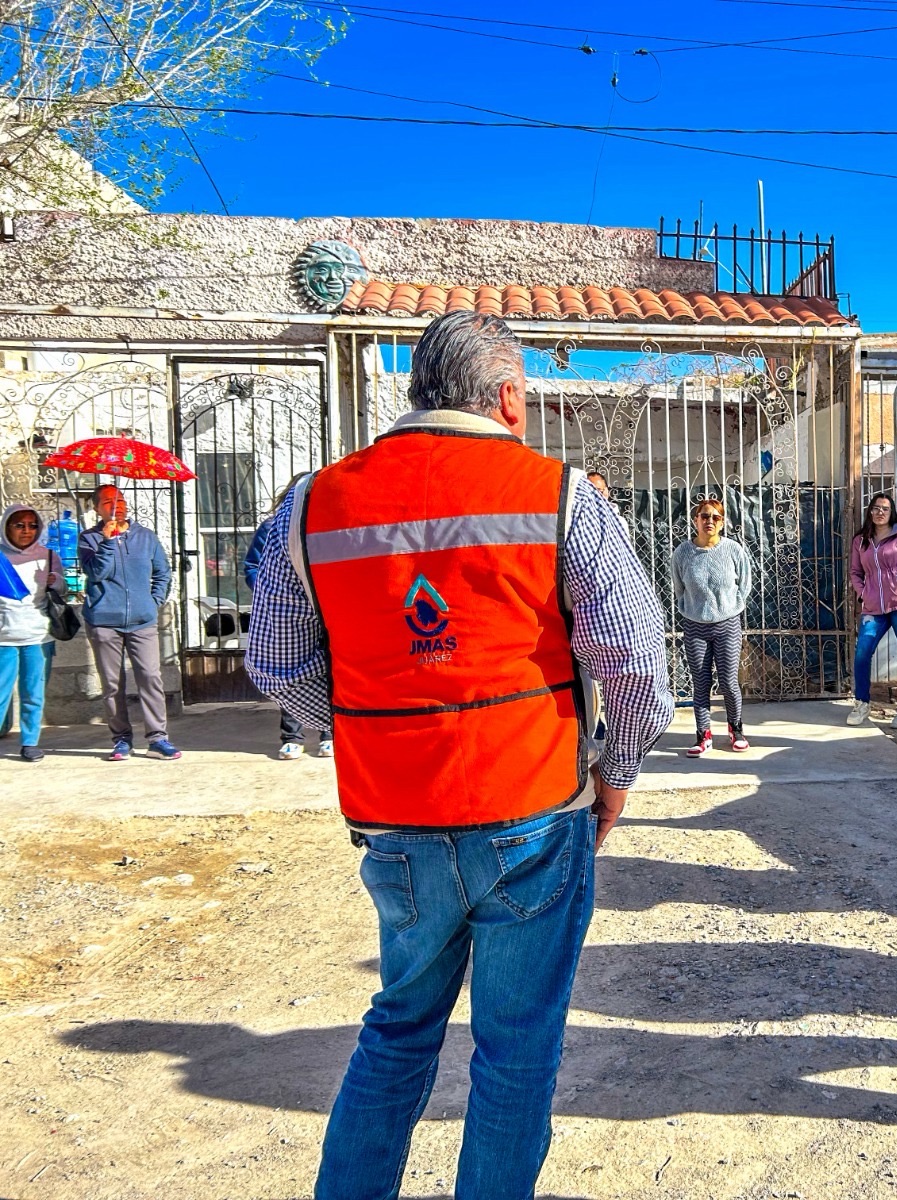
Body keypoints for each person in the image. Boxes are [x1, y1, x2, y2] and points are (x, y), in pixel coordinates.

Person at [244, 310, 674, 1200]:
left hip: (395, 825)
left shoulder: (315, 501)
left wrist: (371, 719)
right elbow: (636, 663)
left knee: (396, 1032)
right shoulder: (559, 495)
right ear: (510, 394)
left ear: (416, 392)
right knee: (516, 1053)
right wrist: (615, 774)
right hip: (532, 815)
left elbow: (275, 660)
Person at [79, 483, 179, 761]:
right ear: (97, 509)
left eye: (120, 500)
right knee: (112, 684)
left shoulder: (145, 536)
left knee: (150, 677)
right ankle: (121, 739)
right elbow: (96, 573)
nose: (117, 506)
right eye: (109, 501)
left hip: (142, 620)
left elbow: (163, 573)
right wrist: (108, 542)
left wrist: (153, 602)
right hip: (103, 621)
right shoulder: (88, 539)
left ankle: (158, 738)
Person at [243, 475, 331, 760]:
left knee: (327, 669)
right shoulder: (271, 527)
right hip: (286, 608)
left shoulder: (321, 525)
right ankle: (292, 736)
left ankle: (327, 735)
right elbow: (253, 565)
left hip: (322, 610)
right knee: (290, 666)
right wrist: (271, 591)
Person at [671, 497, 753, 756]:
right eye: (704, 516)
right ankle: (703, 734)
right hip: (695, 626)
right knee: (701, 682)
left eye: (715, 517)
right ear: (696, 520)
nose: (709, 521)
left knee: (729, 682)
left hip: (727, 625)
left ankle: (736, 729)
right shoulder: (682, 553)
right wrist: (691, 608)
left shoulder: (733, 550)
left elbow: (745, 585)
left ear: (723, 522)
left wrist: (732, 608)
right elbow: (678, 587)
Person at [847, 492, 897, 730]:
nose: (880, 512)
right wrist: (862, 593)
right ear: (870, 511)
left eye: (885, 509)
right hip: (873, 607)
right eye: (876, 508)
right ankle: (862, 703)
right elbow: (855, 572)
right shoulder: (861, 541)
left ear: (892, 513)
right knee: (862, 653)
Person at [0, 503, 61, 762]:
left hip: (37, 637)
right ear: (6, 528)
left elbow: (62, 587)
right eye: (19, 525)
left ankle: (29, 742)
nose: (27, 530)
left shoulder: (47, 556)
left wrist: (55, 580)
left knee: (33, 693)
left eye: (32, 525)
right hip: (3, 639)